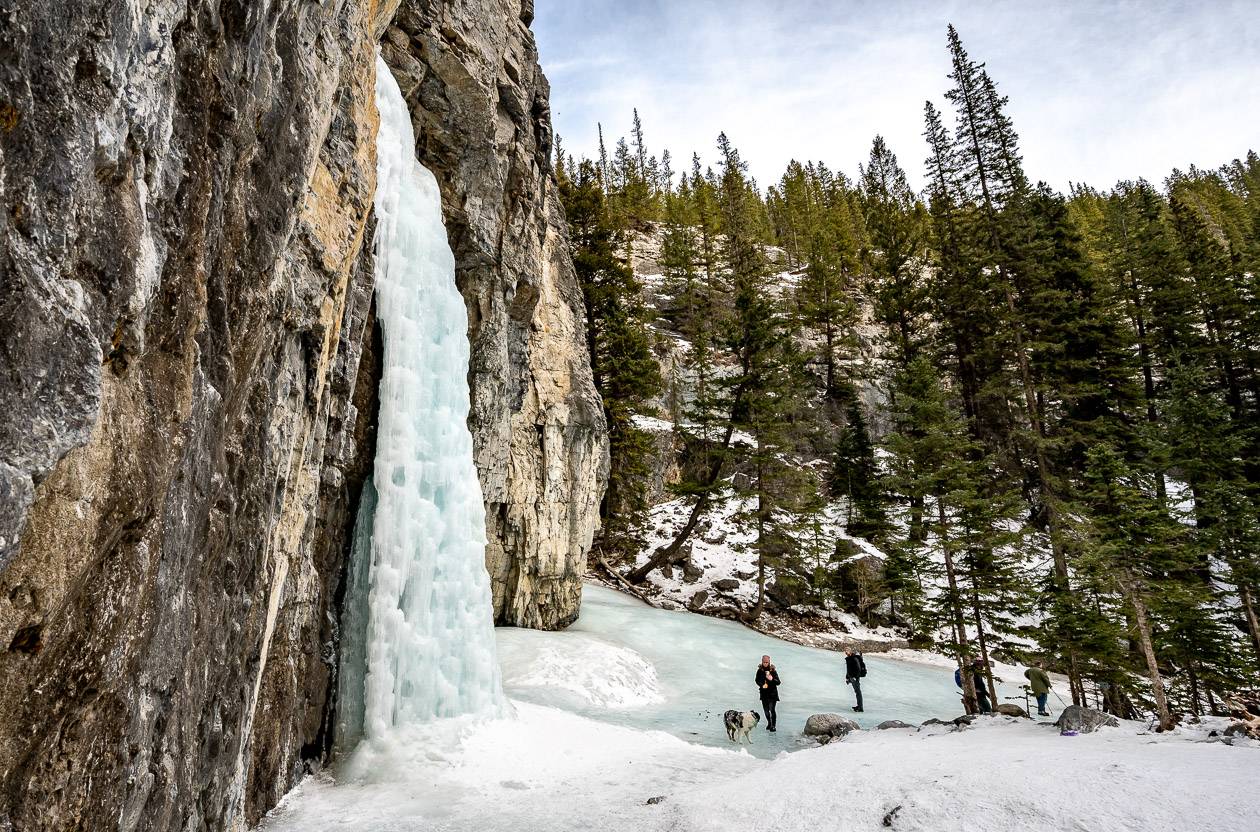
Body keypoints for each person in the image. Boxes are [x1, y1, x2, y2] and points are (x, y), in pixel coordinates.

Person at [755, 654, 781, 731]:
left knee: (772, 709)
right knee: (766, 711)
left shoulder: (773, 670)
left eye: (767, 662)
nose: (765, 663)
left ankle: (773, 725)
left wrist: (772, 679)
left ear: (769, 662)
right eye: (764, 662)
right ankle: (769, 723)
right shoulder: (760, 670)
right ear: (762, 662)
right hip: (764, 694)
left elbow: (778, 682)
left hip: (772, 694)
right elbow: (756, 680)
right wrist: (761, 685)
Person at [844, 647, 865, 712]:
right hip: (852, 677)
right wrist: (847, 678)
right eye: (845, 651)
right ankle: (859, 706)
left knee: (858, 692)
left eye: (847, 651)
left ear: (850, 651)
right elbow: (849, 669)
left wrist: (855, 677)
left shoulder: (854, 658)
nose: (846, 652)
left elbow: (858, 668)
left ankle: (860, 708)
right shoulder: (849, 658)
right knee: (857, 692)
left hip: (855, 678)